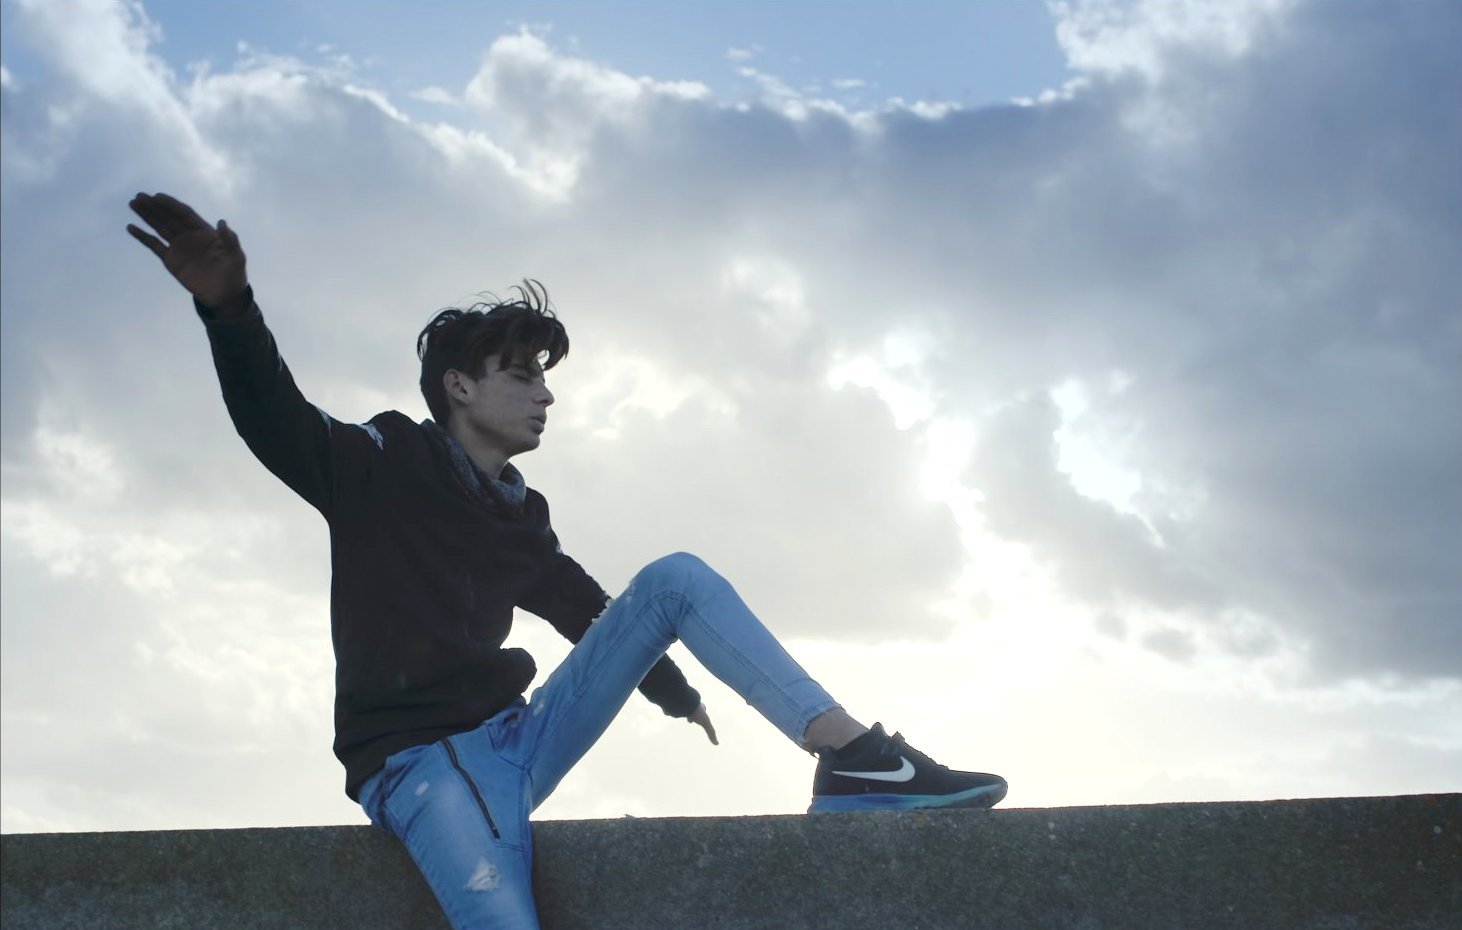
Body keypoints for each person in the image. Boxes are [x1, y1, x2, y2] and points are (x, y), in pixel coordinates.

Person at [127, 192, 1007, 930]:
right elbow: (276, 420)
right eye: (521, 376)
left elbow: (586, 607)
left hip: (517, 739)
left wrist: (675, 691)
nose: (545, 394)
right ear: (459, 386)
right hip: (420, 768)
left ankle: (855, 757)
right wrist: (229, 308)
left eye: (545, 378)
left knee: (674, 579)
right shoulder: (381, 461)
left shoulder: (519, 513)